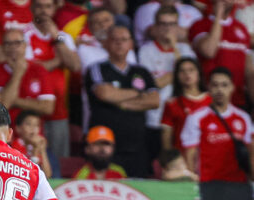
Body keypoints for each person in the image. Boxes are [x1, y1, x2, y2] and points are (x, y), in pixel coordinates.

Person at [181, 67, 254, 200]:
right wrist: (193, 184)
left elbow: (251, 154)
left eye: (224, 85)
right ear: (209, 88)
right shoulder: (197, 118)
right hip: (209, 186)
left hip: (238, 187)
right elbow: (190, 155)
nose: (220, 90)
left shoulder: (243, 118)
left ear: (232, 88)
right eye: (215, 85)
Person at [84, 26, 159, 178]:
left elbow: (154, 100)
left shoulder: (142, 71)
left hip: (137, 146)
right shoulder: (97, 68)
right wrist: (139, 93)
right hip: (104, 147)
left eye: (124, 40)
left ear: (131, 44)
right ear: (106, 43)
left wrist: (122, 102)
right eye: (114, 40)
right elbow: (104, 94)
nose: (119, 44)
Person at [24, 0, 81, 161]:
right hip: (32, 107)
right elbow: (29, 68)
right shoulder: (24, 33)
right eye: (40, 6)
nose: (44, 11)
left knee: (60, 160)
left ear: (55, 8)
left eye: (48, 6)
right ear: (32, 8)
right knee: (30, 158)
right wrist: (57, 61)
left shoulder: (63, 36)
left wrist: (56, 36)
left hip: (59, 109)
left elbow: (75, 65)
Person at [138, 5, 196, 162]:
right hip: (154, 118)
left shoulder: (185, 50)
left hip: (182, 118)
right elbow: (151, 84)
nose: (168, 28)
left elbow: (189, 82)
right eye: (163, 24)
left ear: (178, 27)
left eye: (172, 24)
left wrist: (175, 47)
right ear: (155, 27)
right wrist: (178, 74)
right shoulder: (146, 51)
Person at [188, 0, 252, 107]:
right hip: (207, 100)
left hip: (237, 100)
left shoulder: (242, 28)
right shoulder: (199, 25)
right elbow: (209, 51)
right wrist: (218, 17)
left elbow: (249, 71)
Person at [0, 28, 56, 124]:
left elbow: (48, 108)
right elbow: (1, 107)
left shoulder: (39, 70)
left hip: (32, 134)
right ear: (2, 47)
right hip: (3, 130)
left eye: (17, 43)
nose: (12, 47)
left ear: (25, 45)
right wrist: (18, 73)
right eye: (8, 43)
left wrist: (13, 100)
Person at [161, 57, 211, 153]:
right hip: (182, 158)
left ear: (199, 73)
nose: (187, 74)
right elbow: (166, 138)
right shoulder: (172, 103)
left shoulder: (211, 100)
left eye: (191, 70)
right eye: (182, 71)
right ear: (177, 76)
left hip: (210, 156)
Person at [133, 0, 202, 46]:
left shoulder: (192, 10)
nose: (168, 27)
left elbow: (200, 37)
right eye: (164, 24)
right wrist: (188, 33)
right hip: (153, 57)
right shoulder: (147, 8)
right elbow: (157, 33)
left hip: (186, 56)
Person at [12, 110, 52, 177]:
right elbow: (30, 175)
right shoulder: (15, 147)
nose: (33, 128)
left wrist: (42, 150)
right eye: (29, 124)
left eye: (36, 125)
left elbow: (47, 175)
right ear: (18, 128)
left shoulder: (37, 144)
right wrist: (36, 150)